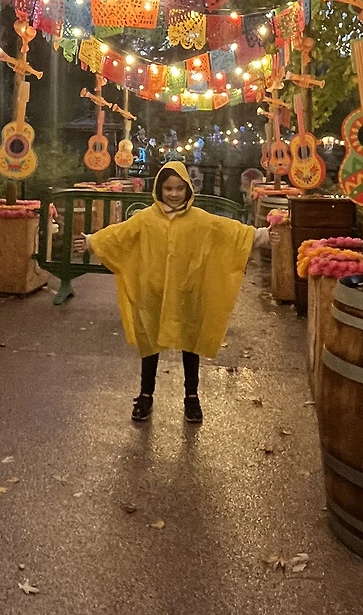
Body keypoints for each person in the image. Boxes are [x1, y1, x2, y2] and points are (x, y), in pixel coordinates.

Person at [76, 161, 267, 424]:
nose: (174, 194)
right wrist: (91, 241)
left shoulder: (199, 220)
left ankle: (191, 397)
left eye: (179, 188)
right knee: (150, 343)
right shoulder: (146, 219)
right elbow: (120, 235)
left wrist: (261, 236)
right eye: (168, 188)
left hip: (188, 292)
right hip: (152, 293)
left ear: (188, 189)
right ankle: (145, 395)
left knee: (190, 343)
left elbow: (229, 232)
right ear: (159, 189)